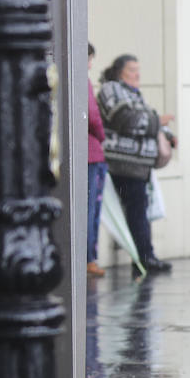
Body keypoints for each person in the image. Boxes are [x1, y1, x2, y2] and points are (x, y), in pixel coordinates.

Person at [97, 54, 174, 276]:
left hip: (140, 167)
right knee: (137, 212)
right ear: (120, 71)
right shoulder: (111, 89)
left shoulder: (134, 94)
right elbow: (126, 120)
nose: (137, 74)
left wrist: (166, 133)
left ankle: (145, 255)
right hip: (124, 166)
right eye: (132, 70)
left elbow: (143, 120)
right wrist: (158, 121)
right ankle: (144, 258)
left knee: (140, 211)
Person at [86, 43, 108, 278]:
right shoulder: (84, 81)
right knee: (90, 208)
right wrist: (102, 136)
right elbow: (93, 116)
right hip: (92, 154)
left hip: (84, 154)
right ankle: (89, 258)